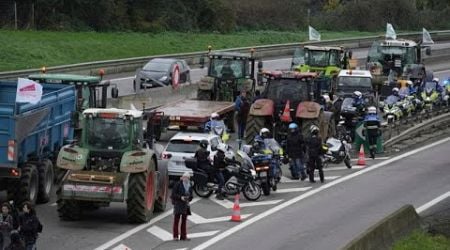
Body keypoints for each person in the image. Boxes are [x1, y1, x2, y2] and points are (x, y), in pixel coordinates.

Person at [171, 172, 193, 241]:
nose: (186, 179)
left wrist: (188, 199)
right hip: (178, 204)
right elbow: (173, 195)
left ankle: (183, 236)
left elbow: (191, 196)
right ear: (182, 177)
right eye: (185, 177)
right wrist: (181, 197)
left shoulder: (189, 185)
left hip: (185, 205)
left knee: (184, 221)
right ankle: (175, 236)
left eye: (187, 178)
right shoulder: (178, 184)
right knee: (176, 221)